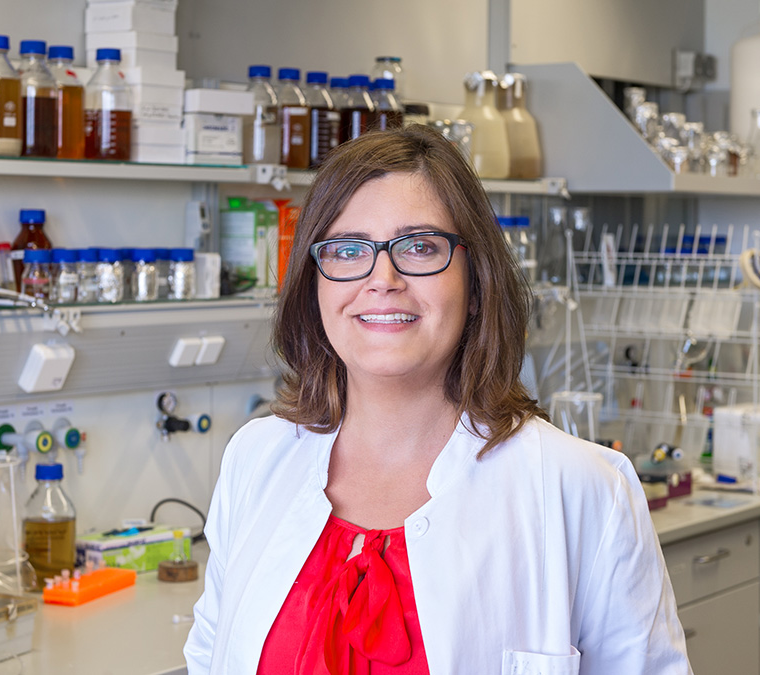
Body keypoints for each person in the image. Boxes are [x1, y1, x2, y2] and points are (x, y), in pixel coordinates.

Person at [184, 125, 691, 674]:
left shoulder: (584, 490)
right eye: (349, 249)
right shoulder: (256, 459)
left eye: (420, 247)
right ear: (315, 283)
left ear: (476, 284)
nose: (383, 278)